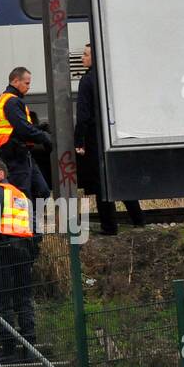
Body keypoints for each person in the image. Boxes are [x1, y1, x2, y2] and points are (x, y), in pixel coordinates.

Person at [73, 43, 144, 235]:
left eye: (86, 55)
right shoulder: (110, 77)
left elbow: (83, 115)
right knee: (120, 179)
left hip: (95, 139)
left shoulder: (87, 81)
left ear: (94, 58)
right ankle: (138, 219)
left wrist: (79, 141)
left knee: (100, 183)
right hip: (114, 135)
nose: (82, 58)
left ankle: (109, 226)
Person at [0, 157, 37, 363]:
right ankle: (30, 349)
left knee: (2, 302)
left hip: (2, 250)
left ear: (1, 174)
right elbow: (33, 226)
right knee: (23, 300)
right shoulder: (21, 195)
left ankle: (9, 349)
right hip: (23, 252)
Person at [0, 67, 51, 201]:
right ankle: (28, 221)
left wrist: (38, 129)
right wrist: (44, 137)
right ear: (15, 81)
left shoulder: (8, 99)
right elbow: (23, 129)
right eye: (27, 83)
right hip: (16, 154)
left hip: (20, 153)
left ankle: (32, 220)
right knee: (24, 195)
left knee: (41, 191)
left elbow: (20, 126)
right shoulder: (12, 101)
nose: (29, 87)